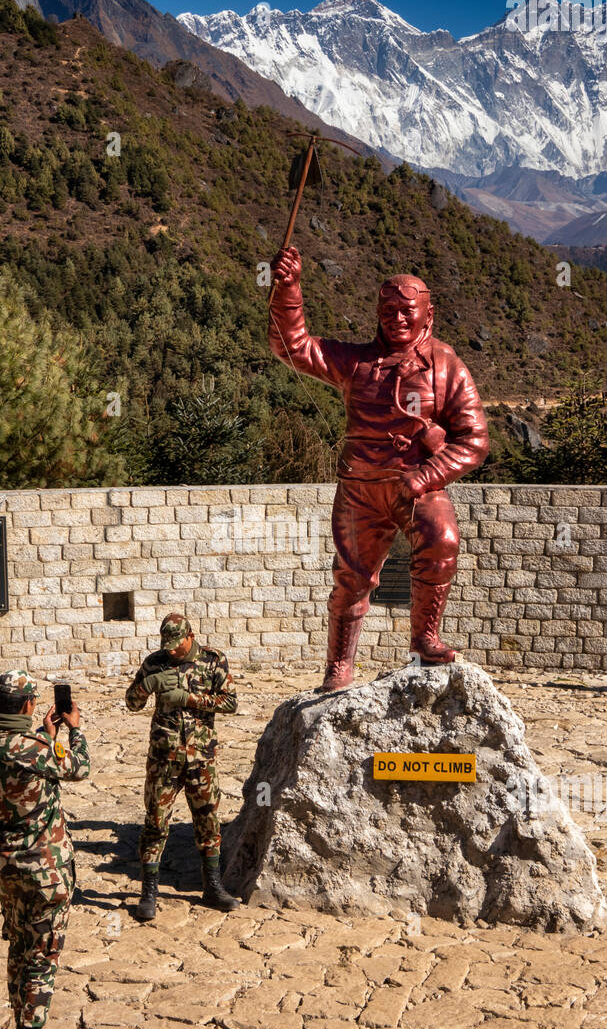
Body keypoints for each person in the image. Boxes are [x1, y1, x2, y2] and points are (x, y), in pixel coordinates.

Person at [269, 246, 489, 689]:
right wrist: (288, 289)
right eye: (387, 310)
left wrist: (426, 476)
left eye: (406, 310)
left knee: (442, 542)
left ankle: (425, 638)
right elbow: (292, 346)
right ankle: (339, 665)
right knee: (351, 576)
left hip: (417, 488)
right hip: (360, 491)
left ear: (427, 313)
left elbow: (475, 441)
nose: (397, 318)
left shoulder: (446, 366)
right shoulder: (356, 362)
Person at [0, 670, 90, 1029]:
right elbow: (78, 767)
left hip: (7, 869)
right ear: (27, 705)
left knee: (19, 946)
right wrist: (72, 731)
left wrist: (42, 733)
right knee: (42, 954)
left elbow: (10, 751)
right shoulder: (36, 748)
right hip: (46, 871)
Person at [125, 614, 239, 920]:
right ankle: (148, 892)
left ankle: (212, 886)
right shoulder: (154, 662)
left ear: (190, 636)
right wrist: (147, 685)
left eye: (177, 645)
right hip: (164, 758)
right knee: (155, 823)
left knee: (208, 821)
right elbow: (132, 703)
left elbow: (230, 702)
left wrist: (188, 698)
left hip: (200, 758)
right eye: (167, 645)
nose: (172, 650)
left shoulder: (213, 661)